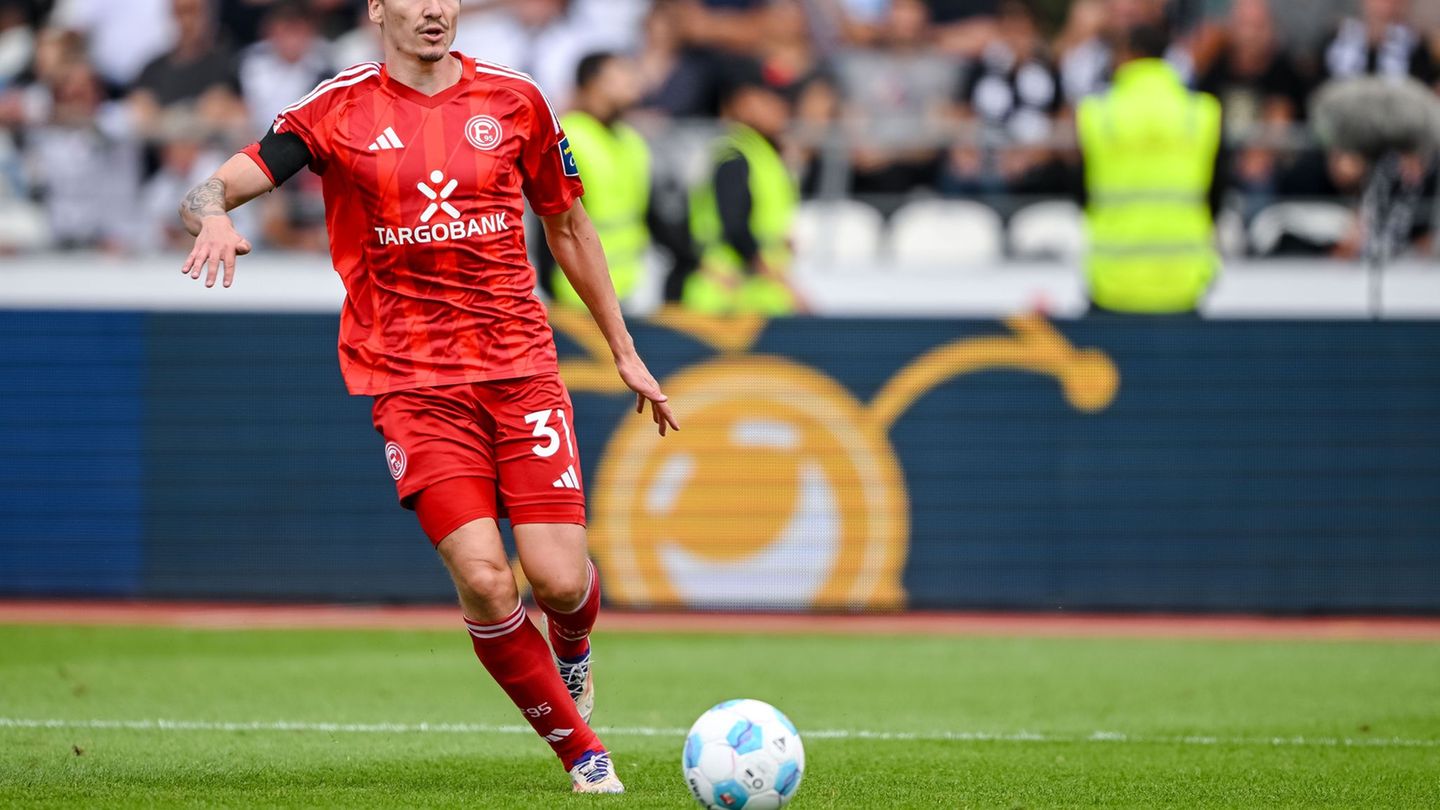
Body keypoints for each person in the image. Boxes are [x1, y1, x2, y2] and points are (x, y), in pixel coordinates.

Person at [176, 0, 679, 794]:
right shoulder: (333, 106)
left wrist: (626, 352)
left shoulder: (518, 98)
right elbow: (213, 184)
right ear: (378, 9)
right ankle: (585, 754)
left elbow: (570, 227)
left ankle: (575, 647)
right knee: (485, 578)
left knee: (556, 579)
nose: (436, 9)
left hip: (520, 369)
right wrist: (210, 218)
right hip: (412, 383)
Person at [1075, 24, 1223, 316]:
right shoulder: (1200, 113)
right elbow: (1216, 193)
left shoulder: (1098, 114)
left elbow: (1079, 191)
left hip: (1112, 282)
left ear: (1126, 55)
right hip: (1184, 282)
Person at [548, 51, 697, 310]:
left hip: (633, 287)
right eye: (620, 73)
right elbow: (551, 222)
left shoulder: (632, 141)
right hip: (578, 291)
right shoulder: (567, 137)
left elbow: (649, 215)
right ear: (591, 84)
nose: (632, 81)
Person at [686, 63, 805, 315]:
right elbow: (735, 226)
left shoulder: (761, 153)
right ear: (743, 103)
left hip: (752, 297)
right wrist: (782, 282)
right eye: (772, 100)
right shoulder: (734, 155)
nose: (783, 108)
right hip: (726, 299)